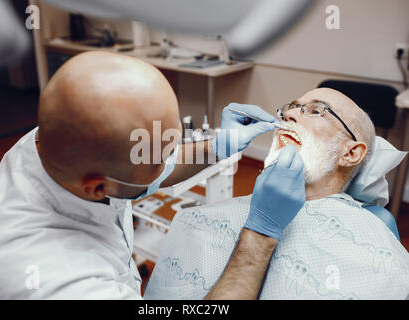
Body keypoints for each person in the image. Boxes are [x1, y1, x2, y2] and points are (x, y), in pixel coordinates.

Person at [0, 51, 304, 299]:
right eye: (162, 158)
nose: (173, 157)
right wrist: (261, 233)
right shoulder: (64, 283)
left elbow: (141, 162)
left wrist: (218, 145)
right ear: (99, 188)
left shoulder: (56, 137)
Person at [144, 88, 409, 300]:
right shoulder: (195, 221)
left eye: (316, 111)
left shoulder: (374, 259)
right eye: (290, 108)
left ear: (350, 153)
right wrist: (217, 146)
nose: (290, 115)